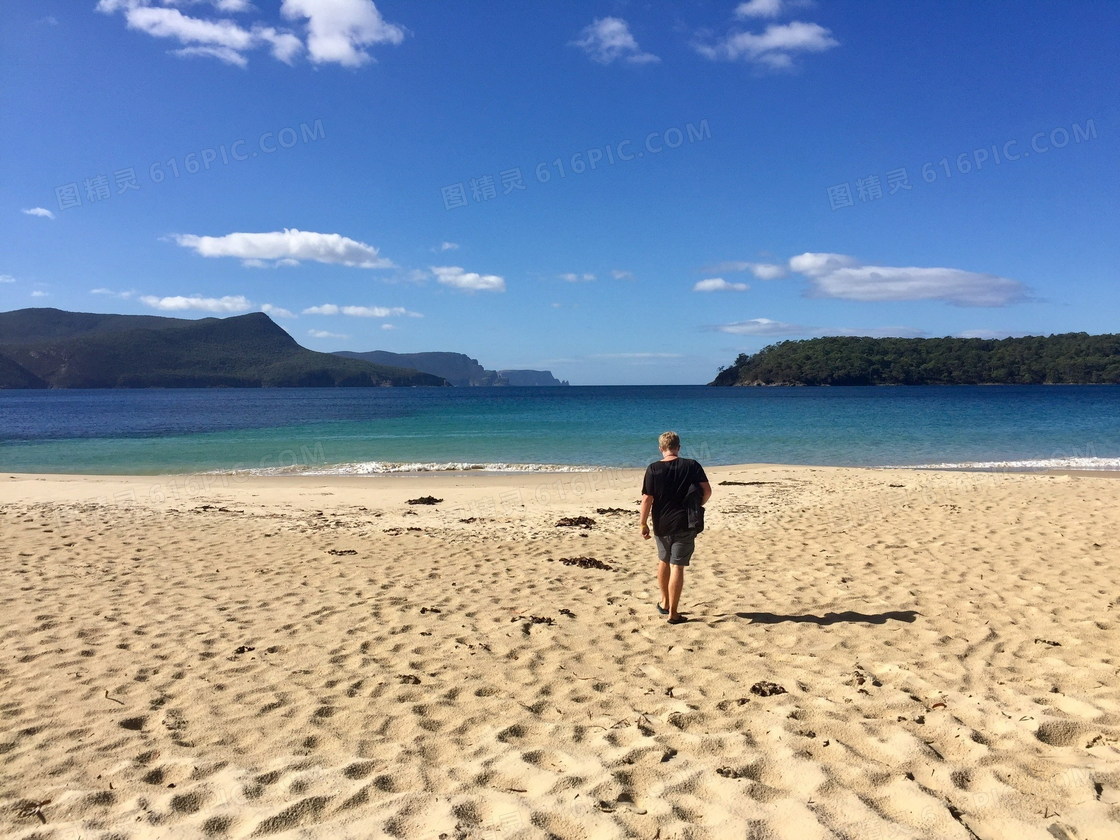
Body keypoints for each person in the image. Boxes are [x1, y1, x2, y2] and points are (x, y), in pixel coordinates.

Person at [639, 431, 711, 624]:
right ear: (678, 447)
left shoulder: (653, 469)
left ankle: (665, 603)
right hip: (685, 521)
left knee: (664, 560)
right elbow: (707, 491)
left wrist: (643, 522)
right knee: (677, 565)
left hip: (662, 523)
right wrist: (699, 504)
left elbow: (647, 498)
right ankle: (674, 613)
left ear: (661, 448)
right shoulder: (692, 465)